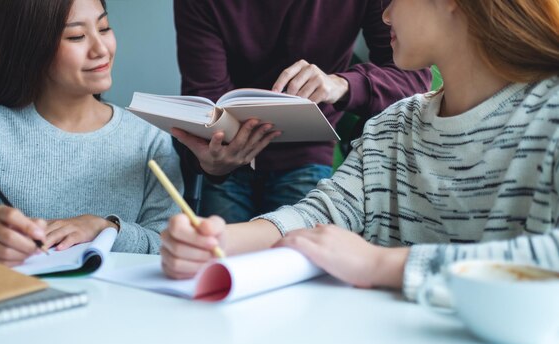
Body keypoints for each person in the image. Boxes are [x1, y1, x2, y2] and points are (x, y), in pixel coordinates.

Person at [160, 0, 559, 301]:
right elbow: (319, 215)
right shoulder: (392, 127)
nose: (384, 16)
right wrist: (217, 241)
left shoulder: (550, 115)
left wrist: (379, 264)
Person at [0, 0, 182, 265]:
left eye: (104, 28)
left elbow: (169, 243)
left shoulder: (150, 139)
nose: (101, 49)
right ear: (31, 46)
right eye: (76, 36)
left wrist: (106, 230)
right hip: (18, 301)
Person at [172, 0, 432, 223]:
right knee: (219, 268)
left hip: (307, 150)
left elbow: (414, 77)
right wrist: (211, 163)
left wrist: (341, 84)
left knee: (297, 263)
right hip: (227, 158)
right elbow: (206, 96)